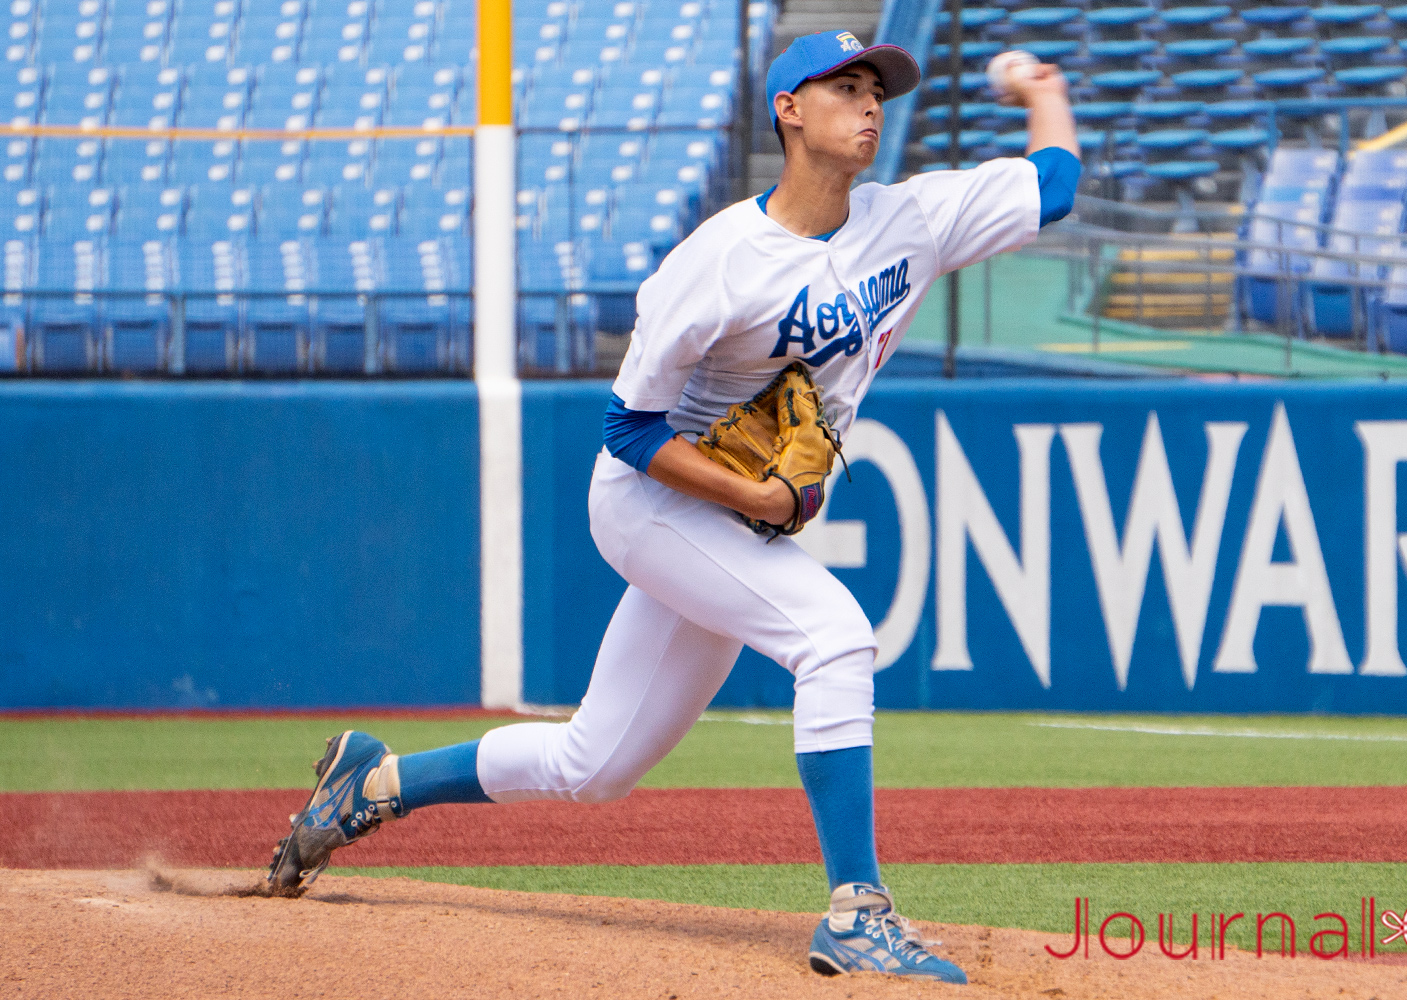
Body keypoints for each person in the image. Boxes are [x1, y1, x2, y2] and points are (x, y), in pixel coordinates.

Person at [267, 30, 1079, 984]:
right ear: (789, 109)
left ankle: (374, 783)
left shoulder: (912, 220)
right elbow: (631, 430)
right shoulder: (719, 262)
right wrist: (756, 492)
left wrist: (1042, 88)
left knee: (594, 765)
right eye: (846, 86)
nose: (870, 105)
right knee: (835, 637)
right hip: (652, 502)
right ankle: (857, 911)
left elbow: (1052, 184)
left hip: (732, 520)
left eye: (878, 90)